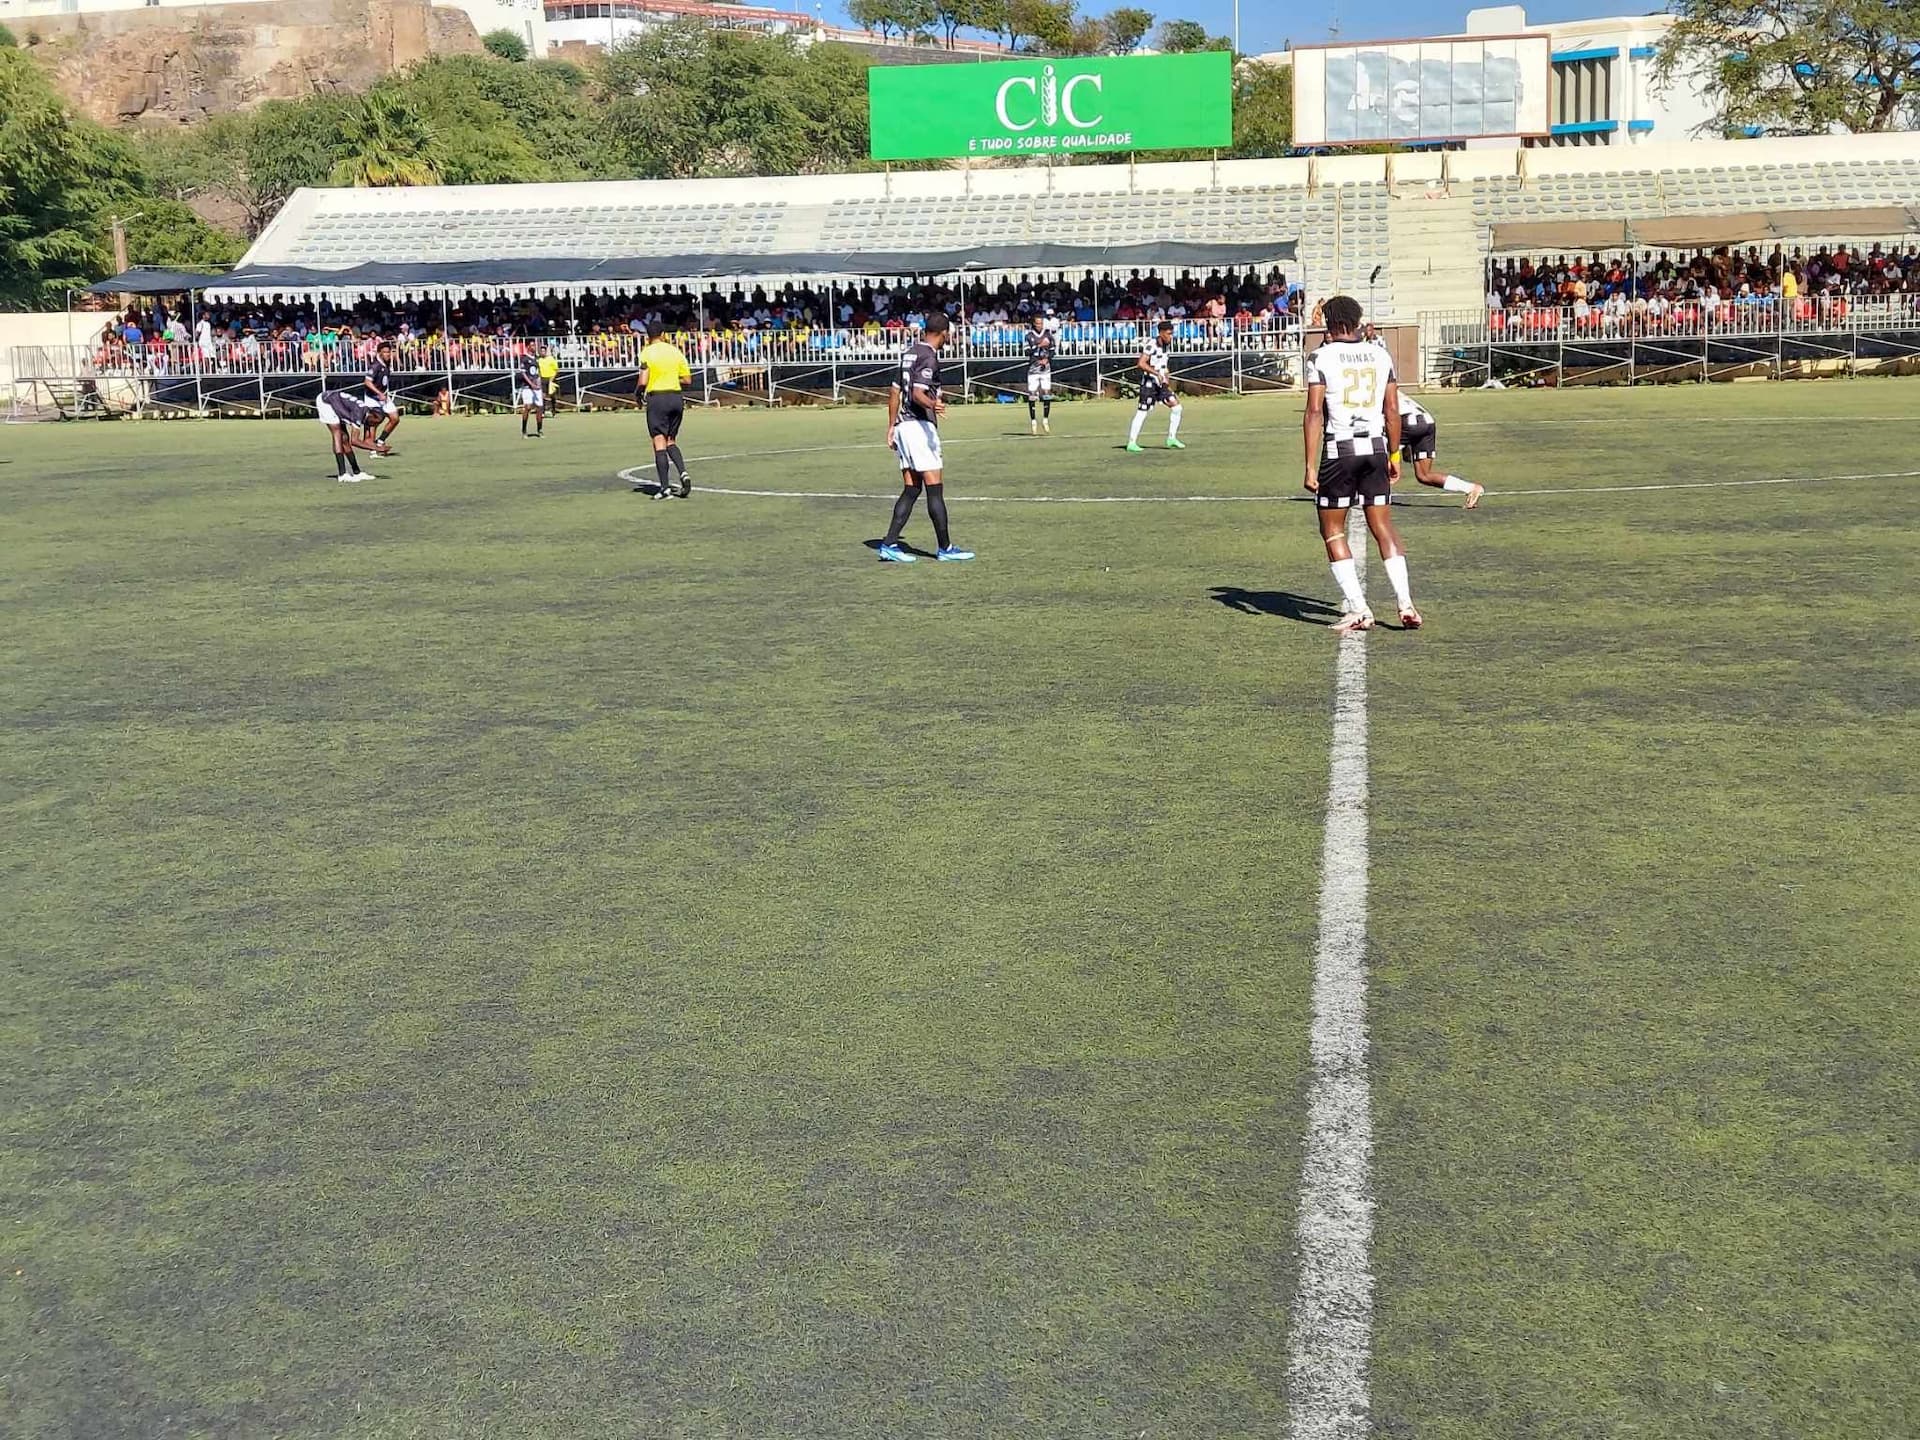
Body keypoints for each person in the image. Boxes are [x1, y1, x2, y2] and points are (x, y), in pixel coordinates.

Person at [1303, 294, 1421, 633]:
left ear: (1334, 324)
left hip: (1340, 451)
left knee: (1332, 529)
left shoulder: (1321, 356)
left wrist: (1311, 466)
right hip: (1376, 449)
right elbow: (1393, 409)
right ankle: (1406, 603)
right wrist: (1395, 454)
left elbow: (1313, 412)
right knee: (1384, 528)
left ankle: (1359, 609)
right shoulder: (1380, 354)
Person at [878, 312, 972, 564]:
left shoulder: (909, 353)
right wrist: (934, 404)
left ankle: (889, 544)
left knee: (911, 488)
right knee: (934, 489)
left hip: (903, 426)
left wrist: (891, 426)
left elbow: (895, 391)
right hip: (919, 428)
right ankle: (946, 548)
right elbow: (919, 393)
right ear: (943, 333)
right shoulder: (929, 356)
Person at [1375, 342, 1483, 508]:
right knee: (1424, 475)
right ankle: (1471, 488)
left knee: (1375, 455)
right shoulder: (1389, 386)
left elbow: (1390, 415)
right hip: (1427, 421)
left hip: (1407, 422)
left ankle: (1370, 495)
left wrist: (1395, 452)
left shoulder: (1375, 388)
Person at [634, 320, 693, 499]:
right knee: (671, 441)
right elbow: (687, 380)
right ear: (663, 334)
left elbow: (643, 380)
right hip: (676, 397)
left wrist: (637, 394)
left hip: (657, 398)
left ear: (648, 336)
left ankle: (665, 488)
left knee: (659, 442)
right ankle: (683, 472)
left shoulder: (646, 352)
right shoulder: (675, 351)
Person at [1126, 319, 1184, 452]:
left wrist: (1166, 380)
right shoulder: (1151, 344)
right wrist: (1156, 373)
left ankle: (1171, 438)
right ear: (1161, 333)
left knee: (1177, 407)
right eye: (1169, 333)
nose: (1171, 336)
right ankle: (1131, 442)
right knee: (1142, 412)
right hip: (1149, 383)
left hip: (1161, 383)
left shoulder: (1167, 345)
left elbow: (1164, 365)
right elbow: (1141, 363)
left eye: (1172, 333)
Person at [317, 386, 390, 483]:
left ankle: (357, 472)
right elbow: (354, 441)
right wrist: (377, 448)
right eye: (375, 422)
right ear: (372, 415)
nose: (374, 425)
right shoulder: (359, 414)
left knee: (345, 438)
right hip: (326, 402)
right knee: (337, 433)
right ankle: (342, 474)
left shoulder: (365, 412)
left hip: (336, 403)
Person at [360, 338, 402, 451]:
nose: (388, 354)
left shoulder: (387, 364)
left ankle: (380, 441)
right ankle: (373, 449)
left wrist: (385, 394)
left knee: (395, 418)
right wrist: (379, 393)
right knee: (375, 421)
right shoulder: (375, 366)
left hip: (383, 397)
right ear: (379, 353)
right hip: (372, 398)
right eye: (385, 352)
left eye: (389, 352)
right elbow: (367, 382)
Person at [1025, 312, 1055, 434]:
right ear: (1034, 324)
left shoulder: (1048, 335)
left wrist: (1047, 359)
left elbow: (1052, 351)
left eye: (1041, 323)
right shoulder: (1029, 336)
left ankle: (1045, 420)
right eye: (1037, 324)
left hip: (1045, 369)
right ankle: (1033, 421)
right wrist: (1038, 345)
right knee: (1032, 396)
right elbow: (1027, 352)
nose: (1040, 326)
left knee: (1047, 394)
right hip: (1033, 369)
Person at [516, 348, 545, 438]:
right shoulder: (524, 358)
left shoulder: (536, 359)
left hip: (536, 388)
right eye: (532, 345)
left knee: (539, 408)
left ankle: (539, 429)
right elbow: (523, 374)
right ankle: (524, 430)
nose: (534, 347)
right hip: (527, 387)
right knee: (528, 407)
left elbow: (538, 374)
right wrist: (531, 384)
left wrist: (539, 385)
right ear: (528, 347)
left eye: (534, 345)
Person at [537, 344, 562, 422]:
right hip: (543, 378)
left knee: (552, 395)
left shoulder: (551, 359)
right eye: (541, 351)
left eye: (544, 351)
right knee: (542, 396)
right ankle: (543, 412)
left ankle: (553, 410)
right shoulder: (539, 360)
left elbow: (556, 369)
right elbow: (538, 370)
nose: (543, 352)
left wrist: (552, 378)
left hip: (551, 378)